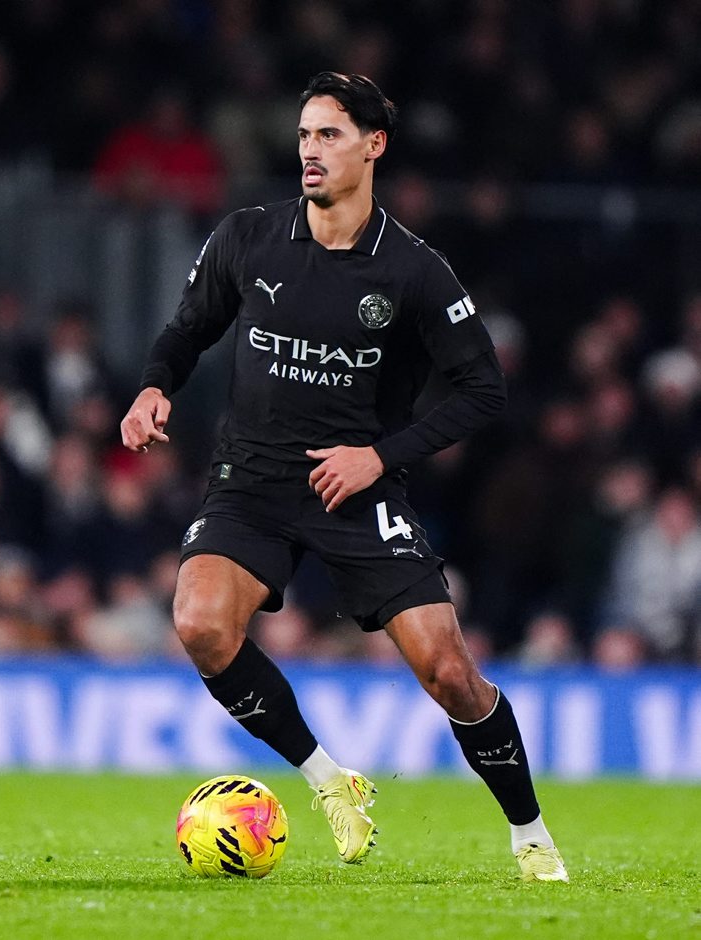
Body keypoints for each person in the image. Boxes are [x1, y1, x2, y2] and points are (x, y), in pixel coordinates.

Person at [121, 72, 568, 883]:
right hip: (252, 482)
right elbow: (187, 331)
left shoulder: (414, 270)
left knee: (450, 673)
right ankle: (331, 781)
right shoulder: (249, 237)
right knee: (199, 625)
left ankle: (531, 835)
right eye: (303, 135)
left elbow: (485, 389)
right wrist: (155, 387)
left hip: (357, 491)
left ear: (374, 145)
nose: (311, 150)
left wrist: (380, 457)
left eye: (329, 134)